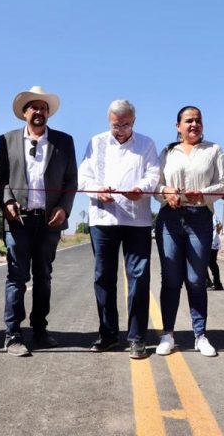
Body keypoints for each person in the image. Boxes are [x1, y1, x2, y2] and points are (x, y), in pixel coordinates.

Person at [0, 86, 77, 357]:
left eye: (44, 108)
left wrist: (64, 209)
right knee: (17, 276)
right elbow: (1, 179)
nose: (39, 112)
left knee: (43, 276)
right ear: (24, 112)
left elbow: (71, 181)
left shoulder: (64, 142)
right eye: (34, 108)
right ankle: (13, 334)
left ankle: (40, 330)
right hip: (18, 220)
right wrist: (7, 202)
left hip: (49, 221)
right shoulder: (7, 140)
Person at [78, 100, 160, 359]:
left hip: (137, 220)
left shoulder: (146, 144)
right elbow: (84, 177)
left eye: (125, 125)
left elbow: (154, 175)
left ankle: (137, 337)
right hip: (103, 219)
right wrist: (97, 191)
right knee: (103, 277)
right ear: (108, 121)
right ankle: (108, 334)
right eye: (116, 125)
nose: (120, 130)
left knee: (138, 277)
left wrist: (141, 189)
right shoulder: (96, 142)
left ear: (133, 122)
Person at [155, 106, 224, 357]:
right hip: (170, 218)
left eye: (198, 120)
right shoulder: (167, 151)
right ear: (178, 126)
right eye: (188, 121)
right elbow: (156, 184)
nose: (194, 124)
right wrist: (166, 192)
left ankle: (200, 335)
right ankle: (168, 334)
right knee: (171, 279)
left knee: (196, 279)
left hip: (200, 218)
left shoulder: (214, 150)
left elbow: (223, 184)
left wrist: (204, 194)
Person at [206, 217, 224, 291]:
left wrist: (217, 230)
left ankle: (217, 283)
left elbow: (220, 225)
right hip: (206, 242)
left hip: (212, 243)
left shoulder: (213, 216)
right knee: (204, 263)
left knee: (212, 263)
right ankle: (208, 282)